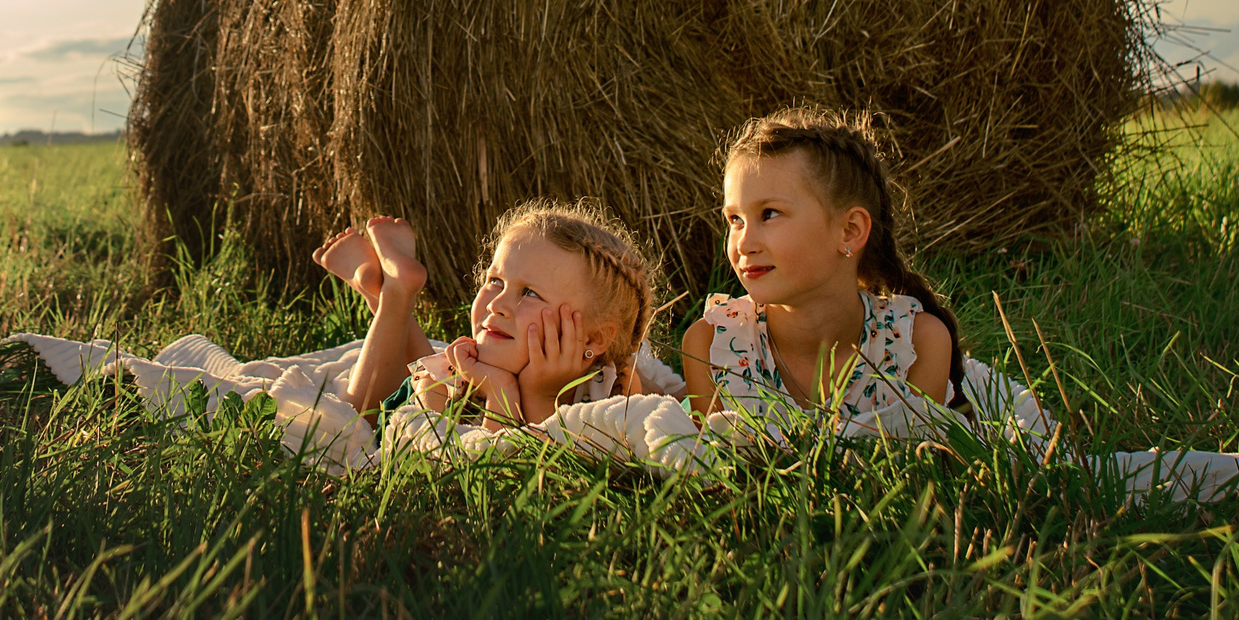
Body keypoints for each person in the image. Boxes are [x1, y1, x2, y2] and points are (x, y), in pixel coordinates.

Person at [680, 107, 963, 428]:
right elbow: (720, 473)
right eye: (735, 220)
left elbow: (916, 472)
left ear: (850, 231)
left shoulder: (917, 343)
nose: (744, 244)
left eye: (769, 214)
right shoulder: (712, 348)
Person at [313, 201, 657, 427]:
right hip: (424, 405)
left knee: (421, 358)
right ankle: (394, 298)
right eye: (495, 281)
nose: (496, 304)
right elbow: (479, 466)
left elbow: (549, 472)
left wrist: (540, 395)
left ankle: (388, 292)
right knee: (357, 419)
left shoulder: (616, 386)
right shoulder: (440, 384)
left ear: (595, 339)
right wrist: (502, 392)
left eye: (531, 293)